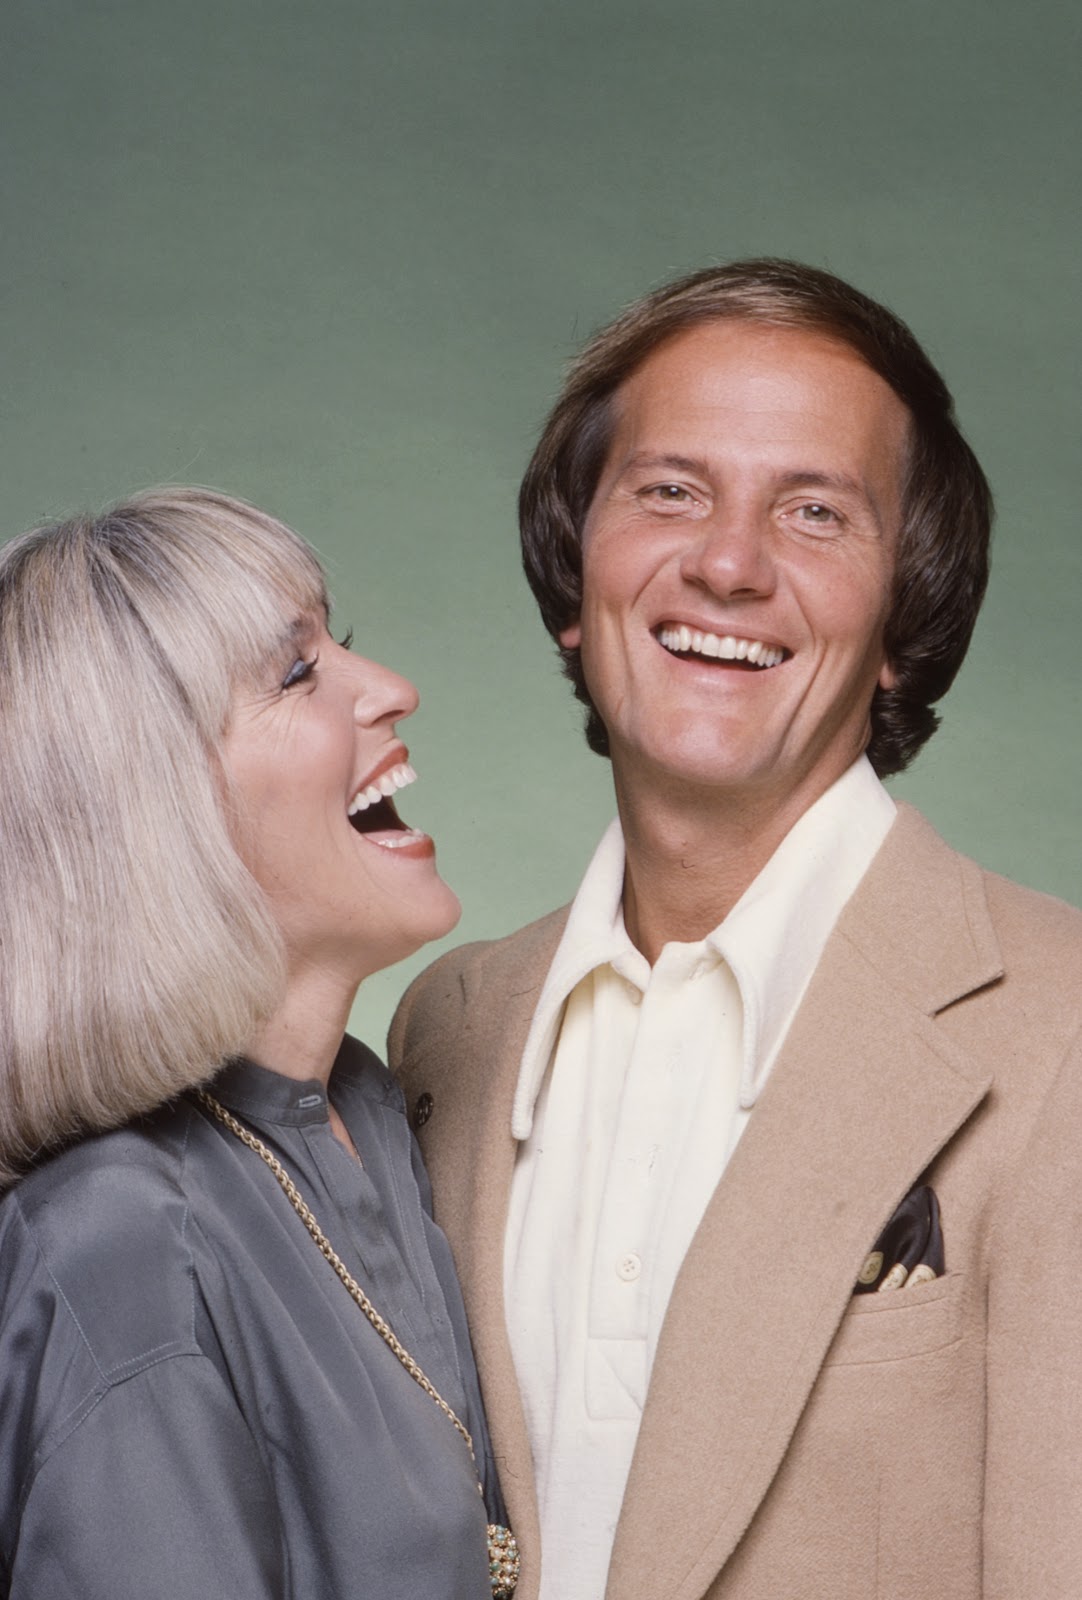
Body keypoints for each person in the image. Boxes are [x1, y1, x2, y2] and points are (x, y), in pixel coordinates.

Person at [389, 260, 1082, 1600]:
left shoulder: (1061, 1027)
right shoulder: (445, 1029)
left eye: (814, 514)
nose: (726, 563)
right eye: (668, 491)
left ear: (901, 623)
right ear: (570, 578)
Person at [0, 488, 518, 1600]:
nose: (389, 689)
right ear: (149, 806)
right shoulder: (122, 1250)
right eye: (295, 673)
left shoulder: (374, 1110)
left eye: (342, 642)